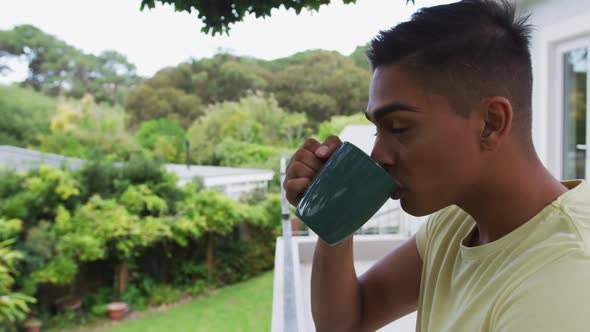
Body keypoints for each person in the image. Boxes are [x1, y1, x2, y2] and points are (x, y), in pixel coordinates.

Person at [283, 0, 590, 331]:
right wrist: (337, 211)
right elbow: (346, 322)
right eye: (377, 129)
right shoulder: (457, 222)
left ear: (491, 122)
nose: (378, 155)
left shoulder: (562, 278)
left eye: (399, 127)